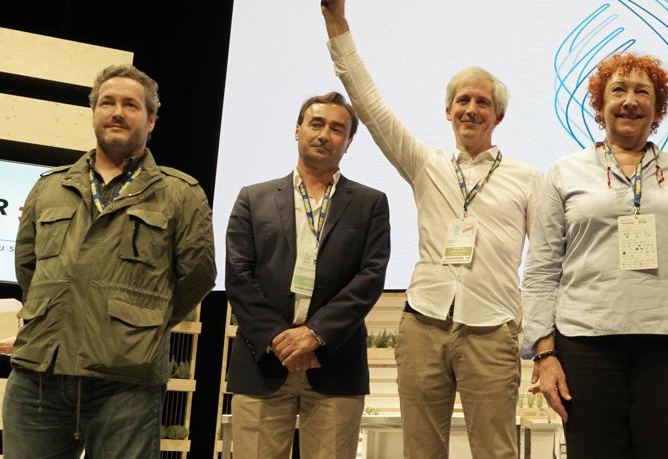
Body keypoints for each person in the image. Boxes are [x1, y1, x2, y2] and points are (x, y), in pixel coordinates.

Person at [320, 0, 543, 459]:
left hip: (493, 329)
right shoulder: (426, 165)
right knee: (420, 452)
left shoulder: (528, 179)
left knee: (497, 452)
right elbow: (370, 104)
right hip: (423, 325)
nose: (471, 109)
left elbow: (548, 261)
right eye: (462, 100)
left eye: (482, 102)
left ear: (498, 115)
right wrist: (337, 21)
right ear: (448, 111)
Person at [3, 64, 216, 458]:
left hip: (127, 382)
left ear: (150, 121)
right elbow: (29, 266)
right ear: (94, 114)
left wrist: (144, 322)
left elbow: (198, 275)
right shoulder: (50, 187)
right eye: (107, 103)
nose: (117, 112)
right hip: (39, 377)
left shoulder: (181, 194)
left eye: (131, 105)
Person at [522, 52, 668, 458]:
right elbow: (540, 269)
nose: (630, 100)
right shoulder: (564, 172)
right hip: (587, 345)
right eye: (618, 90)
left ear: (658, 108)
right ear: (600, 104)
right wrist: (545, 352)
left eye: (643, 91)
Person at [225, 92, 390, 459]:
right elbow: (238, 275)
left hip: (334, 363)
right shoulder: (253, 198)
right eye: (316, 124)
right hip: (263, 361)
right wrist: (279, 339)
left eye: (337, 129)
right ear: (297, 130)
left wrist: (315, 334)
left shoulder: (370, 203)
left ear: (348, 143)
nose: (324, 134)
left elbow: (370, 277)